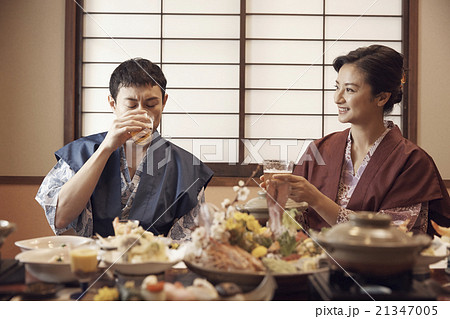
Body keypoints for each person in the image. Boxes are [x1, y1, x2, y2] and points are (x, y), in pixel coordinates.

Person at [262, 45, 450, 236]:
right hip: (312, 263)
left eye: (350, 90)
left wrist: (316, 198)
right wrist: (278, 201)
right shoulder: (319, 149)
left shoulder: (411, 162)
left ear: (381, 97)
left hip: (375, 266)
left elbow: (392, 236)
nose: (337, 98)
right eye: (337, 87)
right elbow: (297, 223)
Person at [36, 58, 213, 240]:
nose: (142, 113)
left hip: (155, 264)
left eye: (151, 104)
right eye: (131, 105)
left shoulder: (185, 167)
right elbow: (60, 218)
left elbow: (189, 241)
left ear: (164, 102)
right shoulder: (81, 153)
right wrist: (106, 147)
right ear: (113, 104)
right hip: (90, 262)